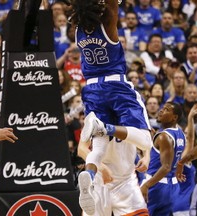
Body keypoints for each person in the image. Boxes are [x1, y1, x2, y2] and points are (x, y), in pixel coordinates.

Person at [69, 0, 153, 215]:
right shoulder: (107, 21)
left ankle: (89, 171)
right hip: (114, 84)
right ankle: (107, 129)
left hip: (92, 88)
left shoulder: (77, 28)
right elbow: (112, 5)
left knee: (98, 146)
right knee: (145, 138)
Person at [77, 129, 150, 215]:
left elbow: (146, 138)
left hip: (126, 181)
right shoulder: (95, 117)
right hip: (100, 180)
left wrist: (146, 157)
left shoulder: (132, 117)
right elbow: (81, 149)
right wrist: (99, 165)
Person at [140, 102, 192, 215]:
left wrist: (146, 185)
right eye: (162, 108)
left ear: (174, 117)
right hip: (171, 186)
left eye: (167, 109)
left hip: (157, 186)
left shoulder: (164, 136)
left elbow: (166, 167)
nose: (161, 111)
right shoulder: (181, 134)